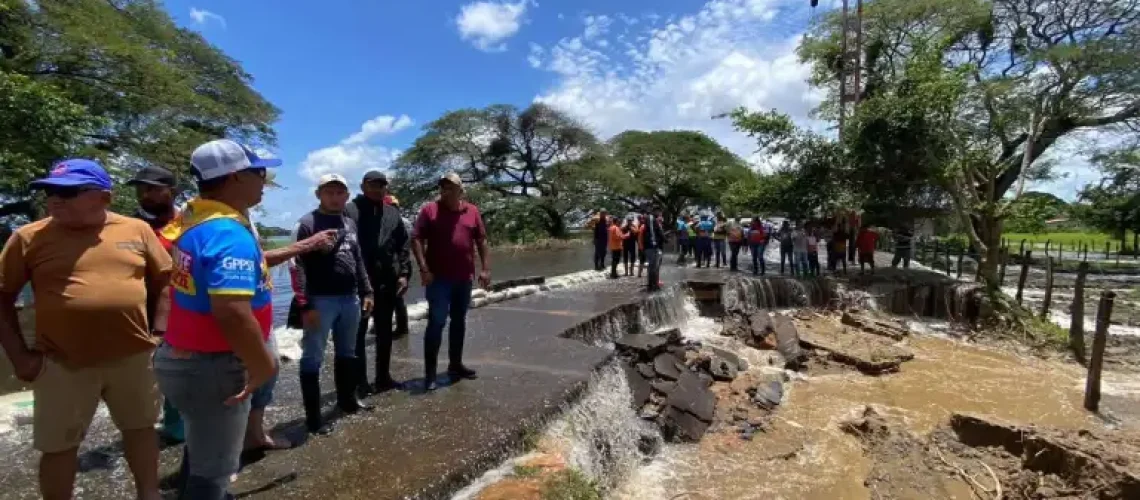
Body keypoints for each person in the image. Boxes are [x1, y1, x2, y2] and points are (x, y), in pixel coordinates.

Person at [0, 159, 171, 500]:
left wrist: (160, 335)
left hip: (134, 357)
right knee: (59, 446)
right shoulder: (28, 237)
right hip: (63, 363)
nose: (54, 200)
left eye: (67, 192)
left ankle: (149, 495)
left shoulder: (136, 230)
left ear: (103, 197)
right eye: (50, 192)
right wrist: (20, 357)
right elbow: (2, 298)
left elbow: (163, 280)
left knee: (141, 430)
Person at [153, 139, 281, 499]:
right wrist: (263, 365)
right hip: (213, 365)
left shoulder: (195, 219)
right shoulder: (227, 233)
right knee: (214, 476)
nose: (264, 181)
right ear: (236, 177)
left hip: (186, 358)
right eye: (259, 173)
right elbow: (232, 312)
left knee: (203, 448)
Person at [294, 173, 375, 435]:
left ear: (347, 196)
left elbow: (358, 258)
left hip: (350, 298)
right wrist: (305, 305)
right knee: (312, 357)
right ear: (319, 194)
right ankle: (314, 418)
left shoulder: (349, 222)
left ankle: (347, 401)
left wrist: (367, 290)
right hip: (320, 300)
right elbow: (298, 267)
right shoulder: (307, 223)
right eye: (329, 192)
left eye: (340, 192)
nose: (335, 197)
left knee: (348, 352)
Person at [411, 172, 491, 391]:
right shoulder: (430, 210)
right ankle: (430, 375)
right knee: (436, 323)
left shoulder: (472, 211)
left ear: (460, 190)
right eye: (443, 187)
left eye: (450, 187)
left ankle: (455, 365)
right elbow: (416, 238)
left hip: (464, 278)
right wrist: (424, 269)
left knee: (459, 321)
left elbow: (481, 240)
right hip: (438, 280)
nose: (445, 190)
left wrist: (485, 269)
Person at [126, 165, 184, 444]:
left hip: (187, 307)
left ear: (171, 191)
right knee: (148, 371)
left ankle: (178, 425)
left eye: (151, 188)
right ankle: (145, 427)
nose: (144, 194)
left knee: (183, 367)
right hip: (145, 310)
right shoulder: (131, 227)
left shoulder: (188, 221)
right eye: (141, 188)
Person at [346, 171, 412, 395]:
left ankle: (383, 377)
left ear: (386, 188)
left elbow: (403, 244)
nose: (377, 189)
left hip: (387, 283)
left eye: (381, 185)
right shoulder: (350, 210)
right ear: (363, 186)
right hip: (360, 284)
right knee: (359, 335)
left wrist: (404, 273)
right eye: (372, 185)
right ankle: (360, 382)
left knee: (384, 333)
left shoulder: (393, 213)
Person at [383, 194, 411, 339]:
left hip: (397, 264)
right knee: (395, 297)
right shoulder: (406, 221)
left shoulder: (394, 223)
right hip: (402, 263)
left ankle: (401, 327)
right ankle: (400, 326)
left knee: (395, 298)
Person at [643, 207, 667, 292]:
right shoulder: (651, 218)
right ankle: (653, 285)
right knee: (654, 266)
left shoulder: (650, 219)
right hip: (652, 246)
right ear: (656, 211)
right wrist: (663, 239)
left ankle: (652, 285)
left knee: (652, 266)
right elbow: (655, 231)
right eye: (660, 212)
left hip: (649, 246)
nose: (660, 215)